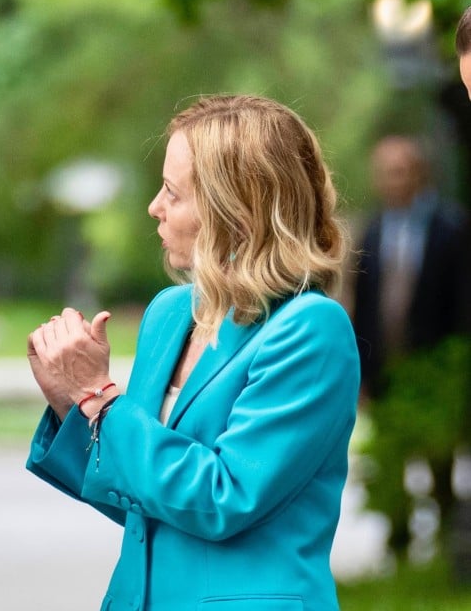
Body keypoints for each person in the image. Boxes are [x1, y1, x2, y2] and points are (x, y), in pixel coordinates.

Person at [26, 94, 359, 610]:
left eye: (173, 193)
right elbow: (147, 497)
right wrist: (71, 402)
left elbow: (223, 498)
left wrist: (98, 395)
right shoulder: (169, 313)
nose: (154, 207)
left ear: (234, 209)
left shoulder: (311, 329)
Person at [351, 135, 471, 556]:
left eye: (400, 171)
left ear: (419, 173)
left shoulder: (451, 228)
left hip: (433, 364)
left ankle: (446, 544)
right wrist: (362, 372)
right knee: (390, 458)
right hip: (385, 364)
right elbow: (363, 305)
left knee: (440, 460)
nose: (392, 181)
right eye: (385, 173)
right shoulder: (374, 229)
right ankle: (399, 542)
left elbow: (461, 301)